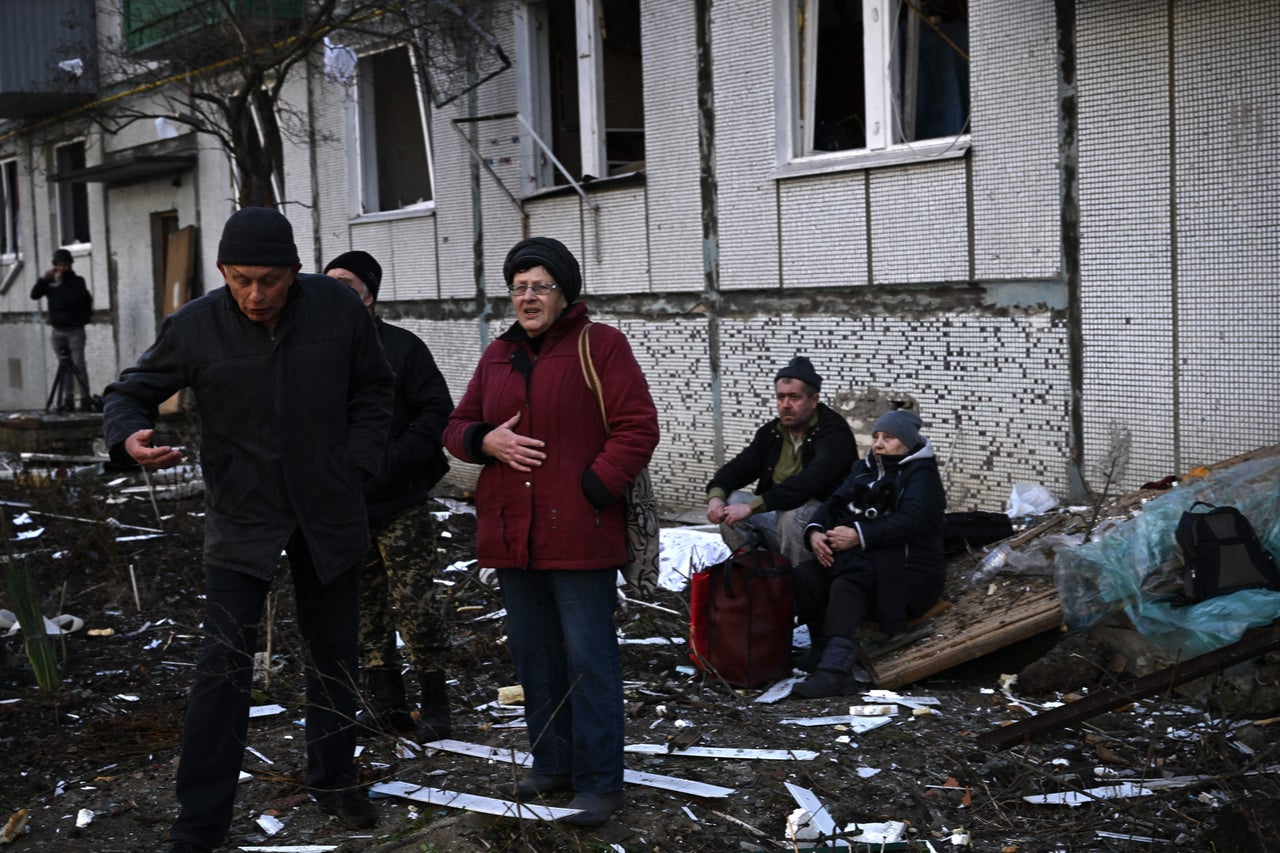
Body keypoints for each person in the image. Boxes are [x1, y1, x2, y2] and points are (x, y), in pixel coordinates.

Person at [102, 208, 394, 853]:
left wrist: (357, 464)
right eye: (240, 281)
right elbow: (129, 391)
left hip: (328, 511)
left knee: (334, 654)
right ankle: (200, 823)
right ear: (221, 273)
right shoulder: (196, 325)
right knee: (222, 668)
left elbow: (376, 392)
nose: (255, 296)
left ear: (295, 271)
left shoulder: (337, 311)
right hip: (243, 517)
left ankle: (335, 780)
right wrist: (129, 437)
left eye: (269, 280)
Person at [443, 236, 659, 828]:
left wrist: (594, 487)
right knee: (535, 657)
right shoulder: (497, 355)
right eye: (519, 287)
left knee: (589, 658)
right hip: (513, 534)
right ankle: (553, 766)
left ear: (564, 293)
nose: (528, 297)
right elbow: (457, 424)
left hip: (578, 532)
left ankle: (598, 783)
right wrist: (483, 440)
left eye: (540, 286)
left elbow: (638, 426)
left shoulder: (600, 345)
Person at [322, 250, 456, 744]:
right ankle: (388, 708)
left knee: (416, 604)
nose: (335, 292)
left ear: (370, 297)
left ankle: (436, 707)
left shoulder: (401, 348)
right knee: (366, 610)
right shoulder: (313, 352)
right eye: (328, 282)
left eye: (348, 285)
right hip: (345, 508)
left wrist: (395, 458)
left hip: (399, 502)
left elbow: (436, 410)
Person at [789, 408, 947, 699]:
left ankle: (837, 672)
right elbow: (833, 503)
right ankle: (823, 651)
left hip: (910, 576)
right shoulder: (865, 469)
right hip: (872, 565)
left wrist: (858, 535)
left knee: (851, 575)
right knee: (808, 574)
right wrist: (815, 532)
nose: (878, 444)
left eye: (888, 438)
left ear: (908, 444)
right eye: (876, 436)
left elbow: (914, 519)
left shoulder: (922, 476)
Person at [705, 356, 856, 567]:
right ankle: (755, 573)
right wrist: (716, 495)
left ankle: (797, 582)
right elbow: (741, 466)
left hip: (823, 521)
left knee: (792, 514)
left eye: (794, 397)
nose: (785, 405)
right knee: (731, 501)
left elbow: (811, 481)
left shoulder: (834, 432)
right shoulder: (772, 432)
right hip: (779, 513)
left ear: (814, 400)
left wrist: (753, 507)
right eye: (780, 397)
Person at [30, 248, 94, 411]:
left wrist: (60, 285)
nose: (62, 268)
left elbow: (74, 300)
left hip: (75, 330)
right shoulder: (51, 282)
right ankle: (68, 400)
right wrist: (43, 280)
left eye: (65, 265)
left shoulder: (77, 281)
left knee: (78, 365)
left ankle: (85, 399)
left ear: (70, 265)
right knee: (63, 366)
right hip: (57, 330)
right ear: (55, 265)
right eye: (59, 265)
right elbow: (34, 295)